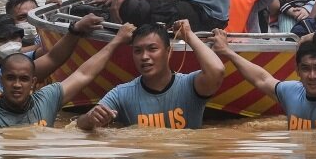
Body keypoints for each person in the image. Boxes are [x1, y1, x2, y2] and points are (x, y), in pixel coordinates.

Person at [0, 23, 137, 137]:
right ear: (1, 81)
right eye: (11, 78)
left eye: (24, 79)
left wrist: (116, 41)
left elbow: (83, 74)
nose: (17, 85)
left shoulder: (48, 98)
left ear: (34, 83)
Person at [76, 20, 225, 130]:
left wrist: (189, 36)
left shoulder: (190, 85)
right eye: (138, 51)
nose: (144, 57)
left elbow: (217, 70)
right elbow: (79, 125)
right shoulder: (122, 94)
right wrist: (90, 119)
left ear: (168, 52)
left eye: (152, 49)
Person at [211, 28, 316, 130]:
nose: (312, 75)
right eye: (305, 68)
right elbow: (261, 79)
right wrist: (227, 52)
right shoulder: (292, 92)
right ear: (297, 71)